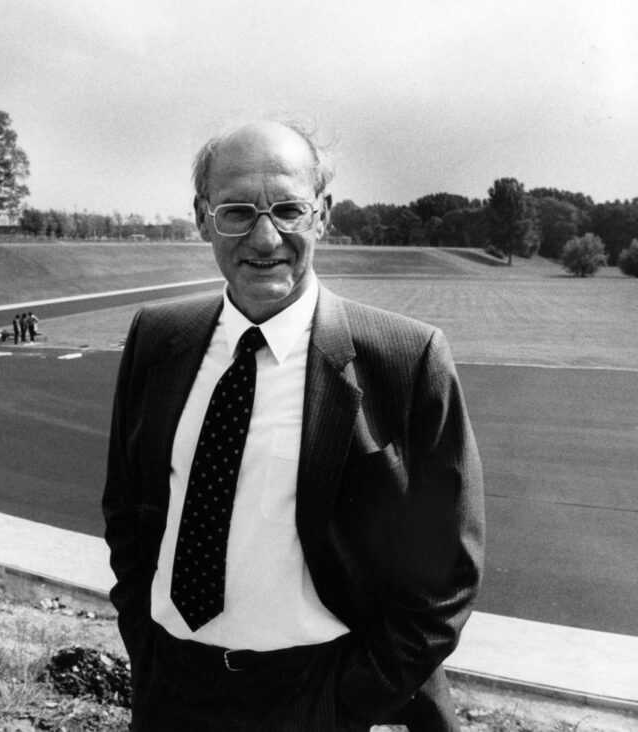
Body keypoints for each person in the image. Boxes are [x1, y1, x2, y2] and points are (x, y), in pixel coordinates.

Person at [102, 120, 484, 731]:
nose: (264, 237)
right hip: (170, 688)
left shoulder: (406, 359)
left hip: (314, 696)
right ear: (201, 218)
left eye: (287, 209)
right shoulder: (157, 336)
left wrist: (347, 702)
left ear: (322, 215)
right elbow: (127, 511)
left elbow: (448, 570)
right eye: (236, 211)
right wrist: (144, 645)